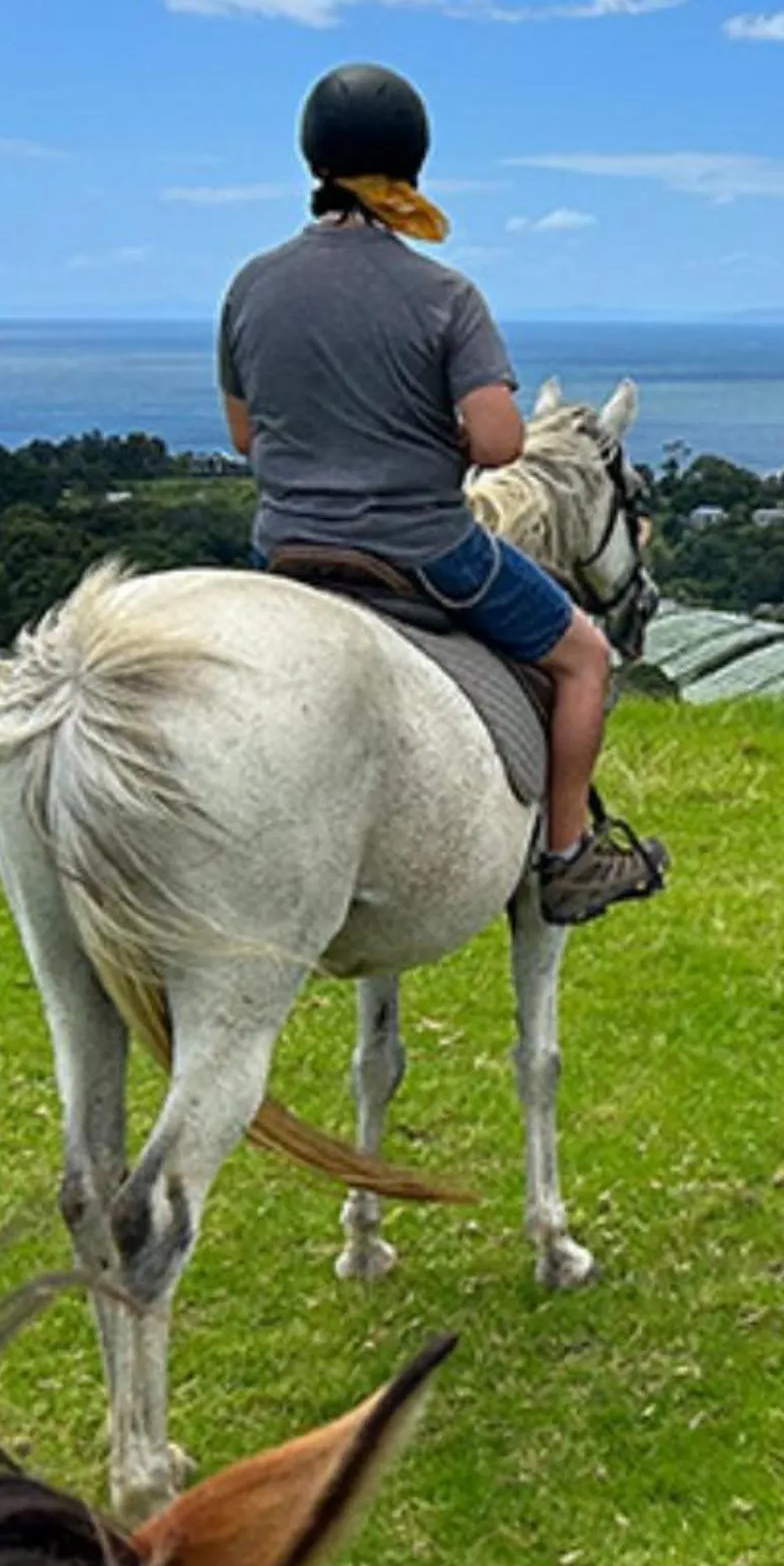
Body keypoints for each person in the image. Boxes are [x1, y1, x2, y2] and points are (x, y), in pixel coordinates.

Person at [216, 62, 667, 925]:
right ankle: (569, 857)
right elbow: (499, 444)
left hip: (287, 549)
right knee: (584, 659)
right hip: (423, 551)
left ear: (312, 161)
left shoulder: (250, 284)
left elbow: (247, 436)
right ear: (411, 164)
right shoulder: (445, 294)